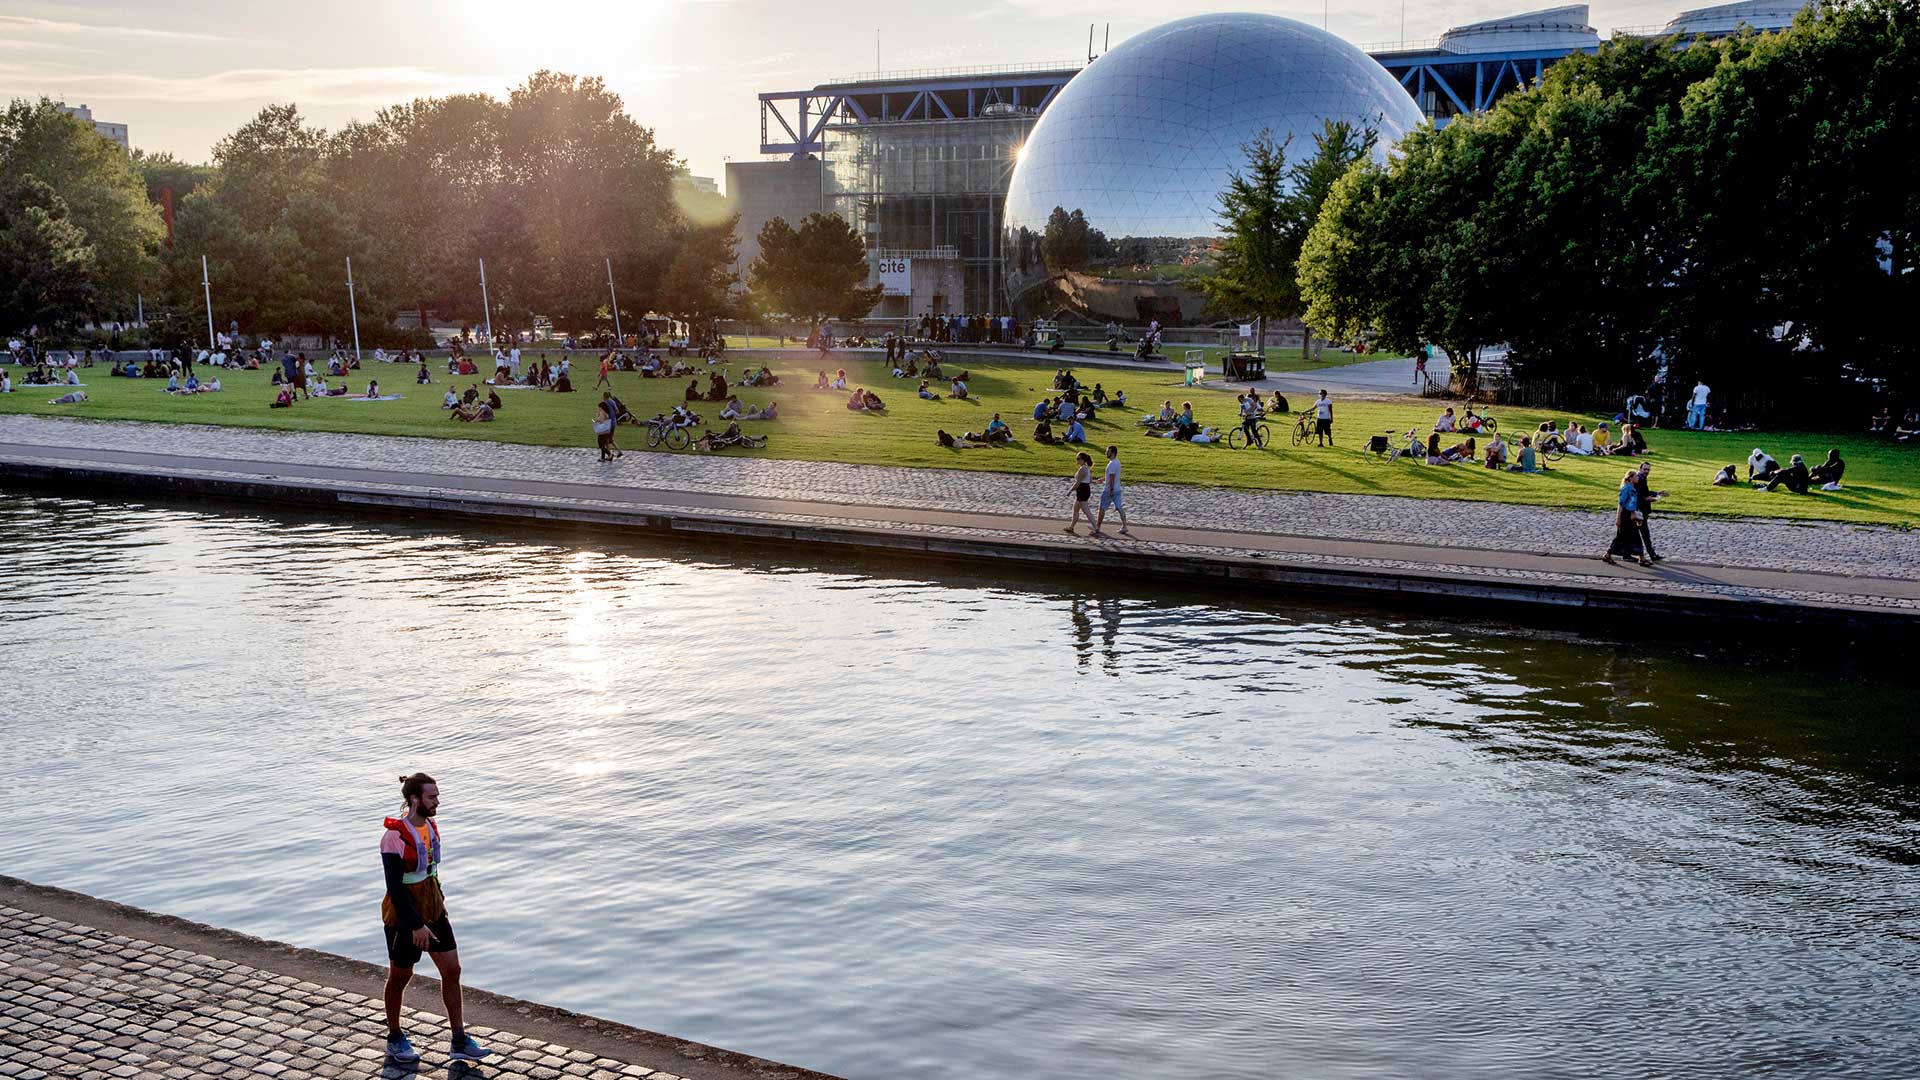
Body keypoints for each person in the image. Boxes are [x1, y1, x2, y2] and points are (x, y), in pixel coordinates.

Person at [381, 773, 491, 1066]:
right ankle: (394, 1037)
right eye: (432, 797)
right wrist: (416, 924)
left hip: (434, 909)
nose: (438, 802)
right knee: (401, 976)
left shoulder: (430, 826)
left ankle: (459, 1039)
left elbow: (430, 871)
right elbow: (395, 886)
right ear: (414, 799)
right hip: (404, 916)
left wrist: (438, 904)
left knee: (452, 969)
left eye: (437, 796)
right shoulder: (394, 836)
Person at [1603, 472, 1651, 567]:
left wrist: (1636, 515)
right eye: (1636, 476)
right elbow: (1621, 504)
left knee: (1631, 536)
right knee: (1623, 536)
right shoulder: (1626, 488)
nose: (1638, 478)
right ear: (1630, 478)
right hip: (1625, 515)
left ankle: (1640, 557)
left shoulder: (1633, 488)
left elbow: (1633, 504)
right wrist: (1618, 518)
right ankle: (1641, 558)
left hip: (1631, 515)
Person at [1094, 444, 1130, 537]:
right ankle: (1124, 526)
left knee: (1102, 508)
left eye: (1108, 451)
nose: (1106, 453)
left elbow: (1112, 476)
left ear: (1113, 453)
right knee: (1119, 507)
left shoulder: (1111, 464)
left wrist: (1111, 489)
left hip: (1109, 490)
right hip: (1117, 489)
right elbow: (1111, 476)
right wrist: (1103, 479)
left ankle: (1097, 527)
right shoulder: (1117, 462)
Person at [1633, 462, 1666, 560]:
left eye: (1648, 470)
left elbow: (1644, 492)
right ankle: (1651, 555)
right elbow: (1637, 496)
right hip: (1639, 512)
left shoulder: (1642, 478)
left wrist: (1656, 493)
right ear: (1640, 469)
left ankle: (1649, 554)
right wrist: (1647, 499)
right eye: (1645, 469)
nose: (1647, 471)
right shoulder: (1639, 479)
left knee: (1640, 533)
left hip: (1642, 511)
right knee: (1644, 534)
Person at [1064, 452, 1098, 535]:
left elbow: (1078, 483)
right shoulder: (1087, 468)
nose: (1077, 460)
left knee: (1086, 511)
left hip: (1082, 490)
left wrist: (1070, 491)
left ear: (1083, 460)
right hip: (1084, 490)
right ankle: (1071, 527)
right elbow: (1089, 481)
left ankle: (1096, 528)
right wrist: (1096, 481)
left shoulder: (1082, 469)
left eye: (1078, 459)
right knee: (1075, 509)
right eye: (1077, 458)